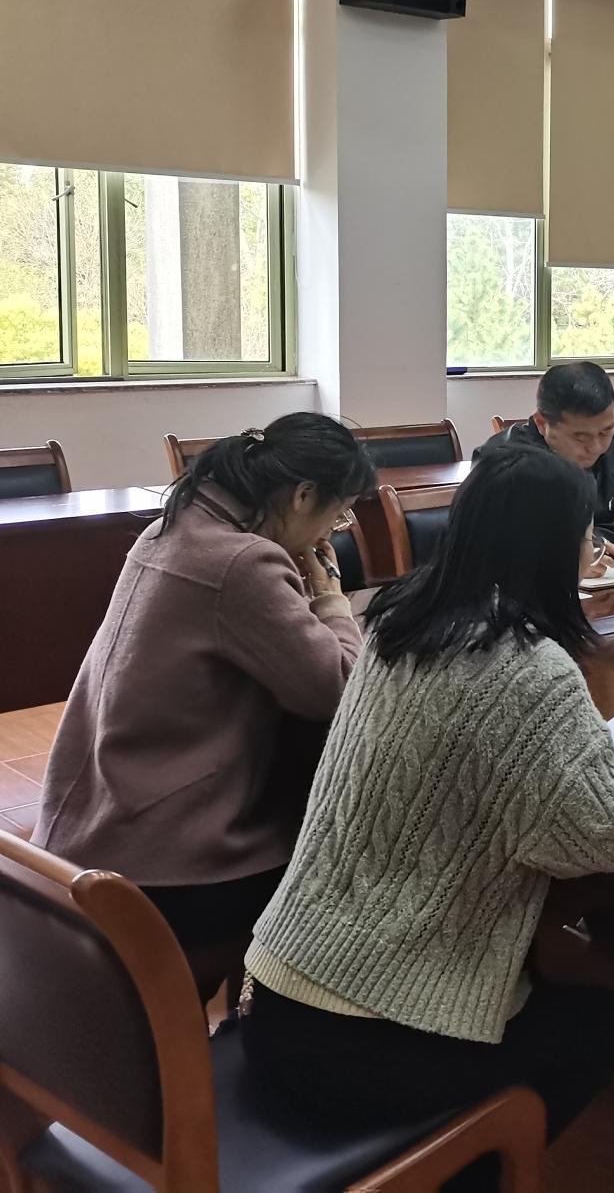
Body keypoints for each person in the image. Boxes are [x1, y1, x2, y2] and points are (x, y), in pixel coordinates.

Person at [239, 443, 614, 1173]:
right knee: (602, 1023)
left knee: (540, 982)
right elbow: (605, 830)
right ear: (552, 549)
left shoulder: (398, 620)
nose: (594, 550)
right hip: (367, 1041)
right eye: (587, 536)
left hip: (275, 993)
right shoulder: (528, 667)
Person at [33, 414, 376, 977]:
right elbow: (339, 691)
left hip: (91, 825)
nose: (331, 532)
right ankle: (271, 1016)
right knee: (346, 882)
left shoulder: (175, 526)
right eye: (337, 514)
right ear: (303, 495)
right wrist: (331, 598)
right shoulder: (243, 562)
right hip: (169, 863)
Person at [480, 361, 614, 572]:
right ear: (541, 423)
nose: (596, 447)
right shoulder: (504, 460)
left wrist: (591, 544)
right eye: (580, 437)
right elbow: (497, 543)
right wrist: (569, 551)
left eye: (605, 432)